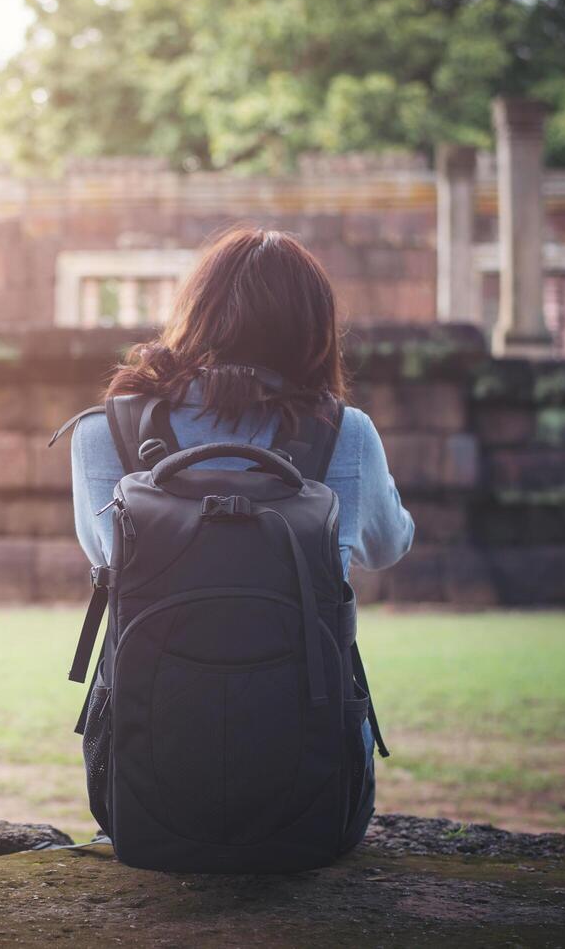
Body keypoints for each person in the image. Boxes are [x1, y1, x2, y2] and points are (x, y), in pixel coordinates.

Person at [69, 226, 414, 842]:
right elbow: (387, 546)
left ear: (195, 311)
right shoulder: (347, 431)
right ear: (311, 330)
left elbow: (110, 561)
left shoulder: (105, 430)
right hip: (313, 785)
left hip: (145, 779)